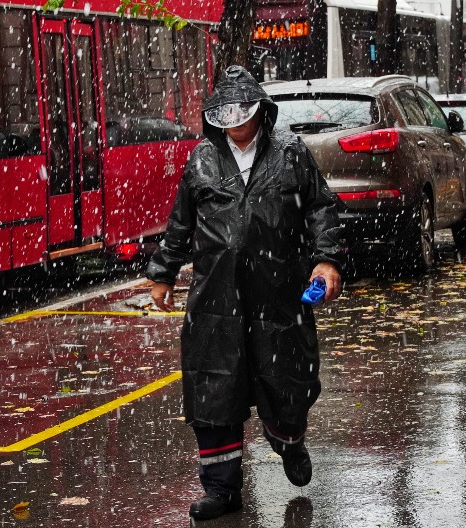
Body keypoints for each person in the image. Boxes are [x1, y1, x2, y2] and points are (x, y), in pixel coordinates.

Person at [146, 65, 343, 521]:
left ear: (261, 111)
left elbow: (320, 208)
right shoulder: (201, 161)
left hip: (278, 294)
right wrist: (163, 271)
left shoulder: (290, 153)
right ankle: (222, 488)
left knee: (286, 382)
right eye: (226, 113)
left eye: (243, 111)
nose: (235, 122)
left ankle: (289, 439)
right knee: (214, 390)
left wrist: (327, 259)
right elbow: (181, 222)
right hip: (215, 299)